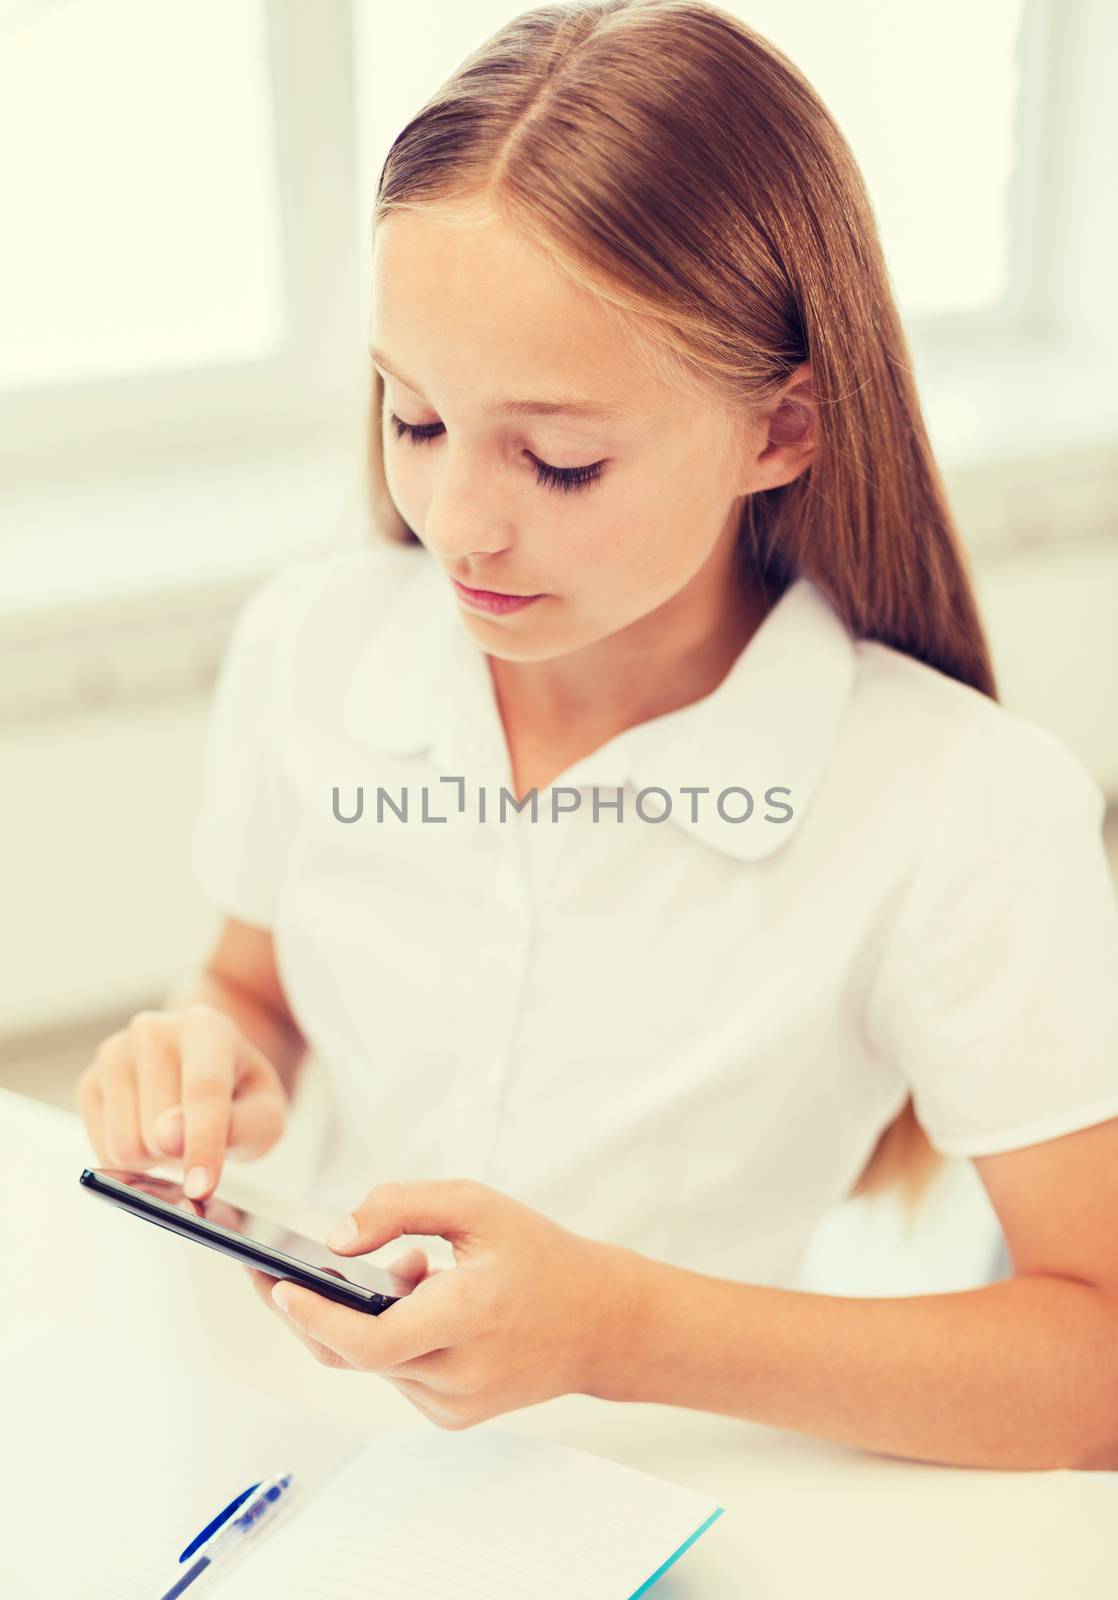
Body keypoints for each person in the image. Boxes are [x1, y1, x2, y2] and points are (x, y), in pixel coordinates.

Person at [77, 0, 1118, 1470]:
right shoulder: (314, 641)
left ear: (782, 429)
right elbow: (254, 983)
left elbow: (1098, 1360)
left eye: (558, 459)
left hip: (680, 1491)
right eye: (413, 419)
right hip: (300, 1442)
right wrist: (208, 1050)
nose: (457, 526)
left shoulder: (960, 805)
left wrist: (621, 1331)